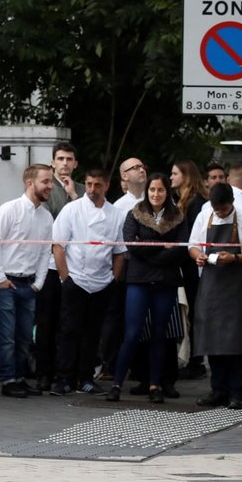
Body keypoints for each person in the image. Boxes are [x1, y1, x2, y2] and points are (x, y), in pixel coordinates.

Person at [106, 174, 185, 403]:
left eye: (160, 190)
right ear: (147, 191)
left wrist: (150, 251)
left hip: (165, 281)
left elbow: (180, 248)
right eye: (152, 190)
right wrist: (161, 249)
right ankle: (117, 384)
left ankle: (154, 385)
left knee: (160, 334)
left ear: (166, 192)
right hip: (139, 280)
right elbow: (131, 244)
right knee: (131, 334)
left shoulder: (177, 216)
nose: (156, 194)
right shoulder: (135, 213)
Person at [50, 167, 126, 395]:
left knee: (93, 333)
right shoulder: (72, 210)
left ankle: (86, 378)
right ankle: (63, 378)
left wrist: (113, 279)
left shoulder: (115, 214)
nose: (93, 190)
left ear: (106, 186)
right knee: (68, 331)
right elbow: (58, 246)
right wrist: (66, 278)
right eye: (90, 184)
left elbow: (119, 251)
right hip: (77, 280)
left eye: (98, 185)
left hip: (102, 283)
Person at [188, 183, 242, 409]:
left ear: (231, 203)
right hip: (210, 285)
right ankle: (217, 389)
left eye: (223, 208)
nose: (219, 212)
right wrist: (198, 256)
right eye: (216, 209)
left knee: (235, 341)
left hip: (235, 287)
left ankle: (236, 392)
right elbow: (192, 245)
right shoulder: (204, 217)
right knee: (212, 340)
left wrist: (235, 258)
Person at [0, 164, 54, 397]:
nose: (50, 186)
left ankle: (19, 377)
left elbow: (46, 251)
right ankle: (8, 380)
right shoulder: (9, 209)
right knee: (6, 336)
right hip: (7, 284)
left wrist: (39, 282)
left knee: (24, 336)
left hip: (28, 283)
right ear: (29, 183)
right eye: (45, 181)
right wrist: (0, 278)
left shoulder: (46, 217)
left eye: (50, 181)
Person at [34, 140, 81, 391]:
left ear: (75, 163)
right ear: (53, 162)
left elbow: (85, 220)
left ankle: (67, 373)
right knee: (46, 322)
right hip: (48, 266)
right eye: (60, 159)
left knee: (70, 324)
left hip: (76, 267)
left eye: (69, 159)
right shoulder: (46, 188)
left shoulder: (83, 189)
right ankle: (44, 372)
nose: (64, 164)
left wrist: (74, 195)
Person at [99, 157, 146, 380]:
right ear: (124, 177)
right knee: (116, 317)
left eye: (142, 166)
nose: (141, 169)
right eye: (134, 167)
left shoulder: (156, 199)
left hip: (149, 266)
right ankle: (110, 364)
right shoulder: (118, 207)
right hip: (125, 264)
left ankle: (140, 366)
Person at [171, 159, 208, 380]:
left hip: (193, 267)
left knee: (194, 311)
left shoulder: (196, 203)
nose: (171, 177)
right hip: (184, 265)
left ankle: (196, 360)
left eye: (175, 173)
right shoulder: (180, 201)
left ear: (186, 176)